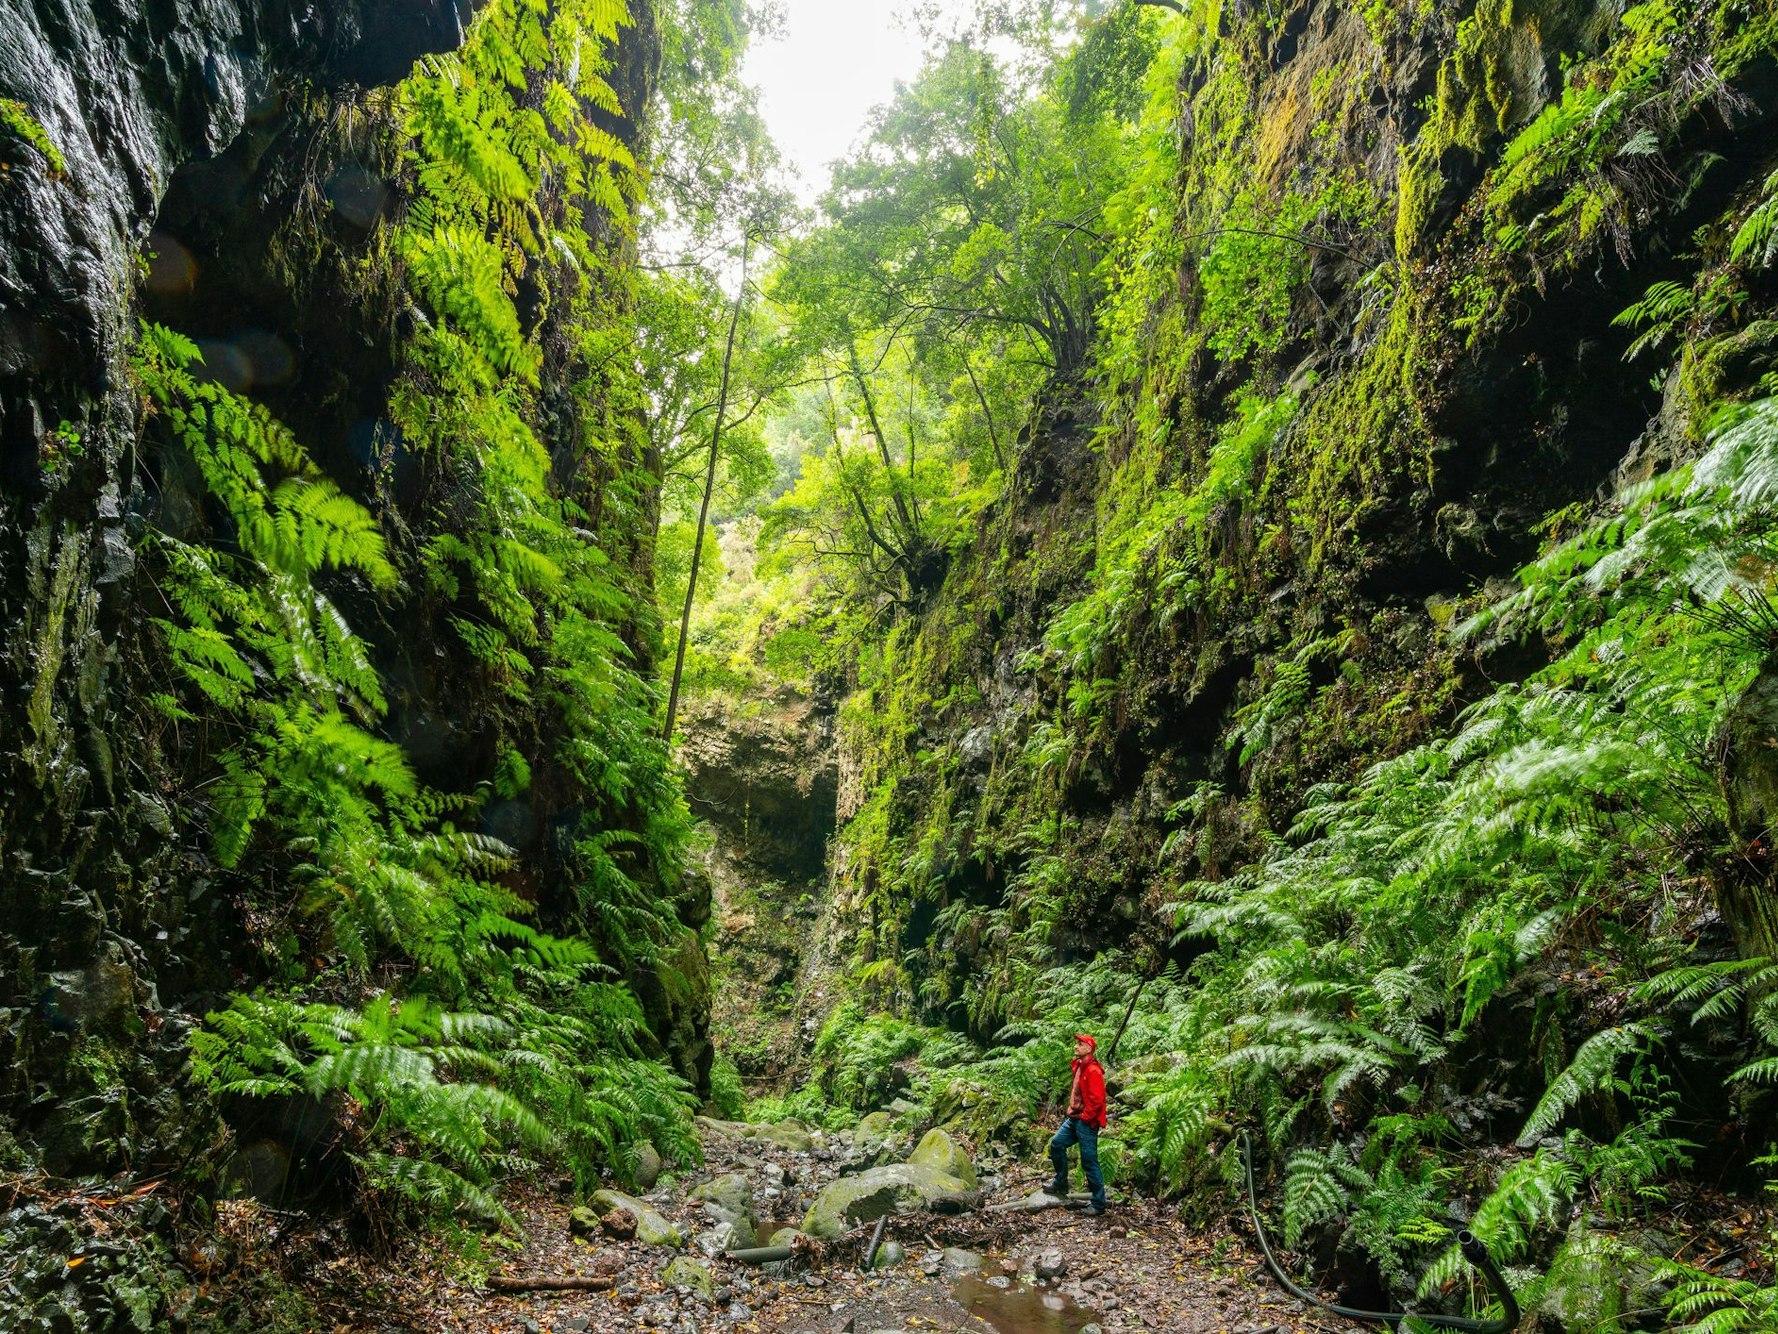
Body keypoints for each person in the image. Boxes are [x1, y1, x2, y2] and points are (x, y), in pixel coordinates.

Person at [1046, 1032, 1107, 1215]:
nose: (1076, 1046)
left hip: (1086, 1121)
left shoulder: (1093, 1070)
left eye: (1080, 1044)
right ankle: (1060, 1182)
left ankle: (1098, 1204)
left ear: (1089, 1048)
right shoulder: (1080, 1065)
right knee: (1057, 1144)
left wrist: (1085, 1118)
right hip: (1074, 1118)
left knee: (1089, 1161)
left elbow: (1097, 1101)